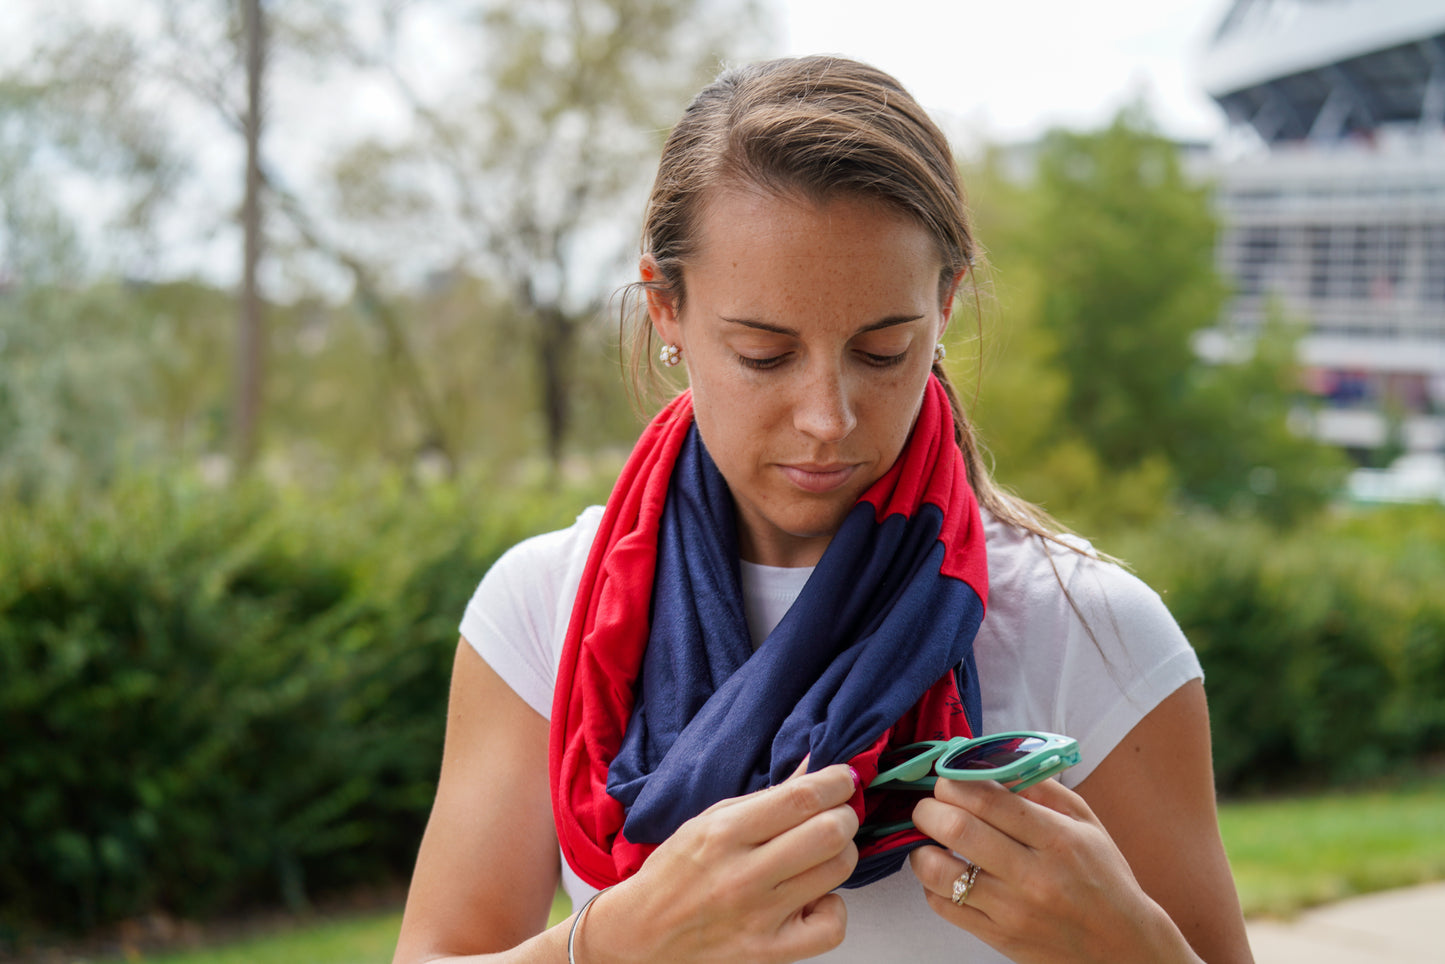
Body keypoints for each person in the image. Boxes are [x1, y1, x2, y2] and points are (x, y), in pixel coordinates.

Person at [392, 56, 1254, 963]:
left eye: (883, 352)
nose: (826, 418)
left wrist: (1133, 951)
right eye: (764, 353)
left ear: (946, 302)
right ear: (665, 309)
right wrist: (609, 946)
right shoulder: (538, 608)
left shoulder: (1094, 631)